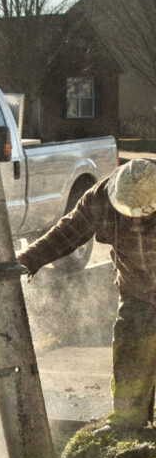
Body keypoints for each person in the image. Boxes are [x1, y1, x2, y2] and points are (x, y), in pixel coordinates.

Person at [17, 157, 156, 434]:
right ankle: (127, 423)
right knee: (130, 351)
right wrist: (29, 259)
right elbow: (68, 231)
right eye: (130, 213)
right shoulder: (100, 199)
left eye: (143, 213)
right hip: (136, 290)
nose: (136, 219)